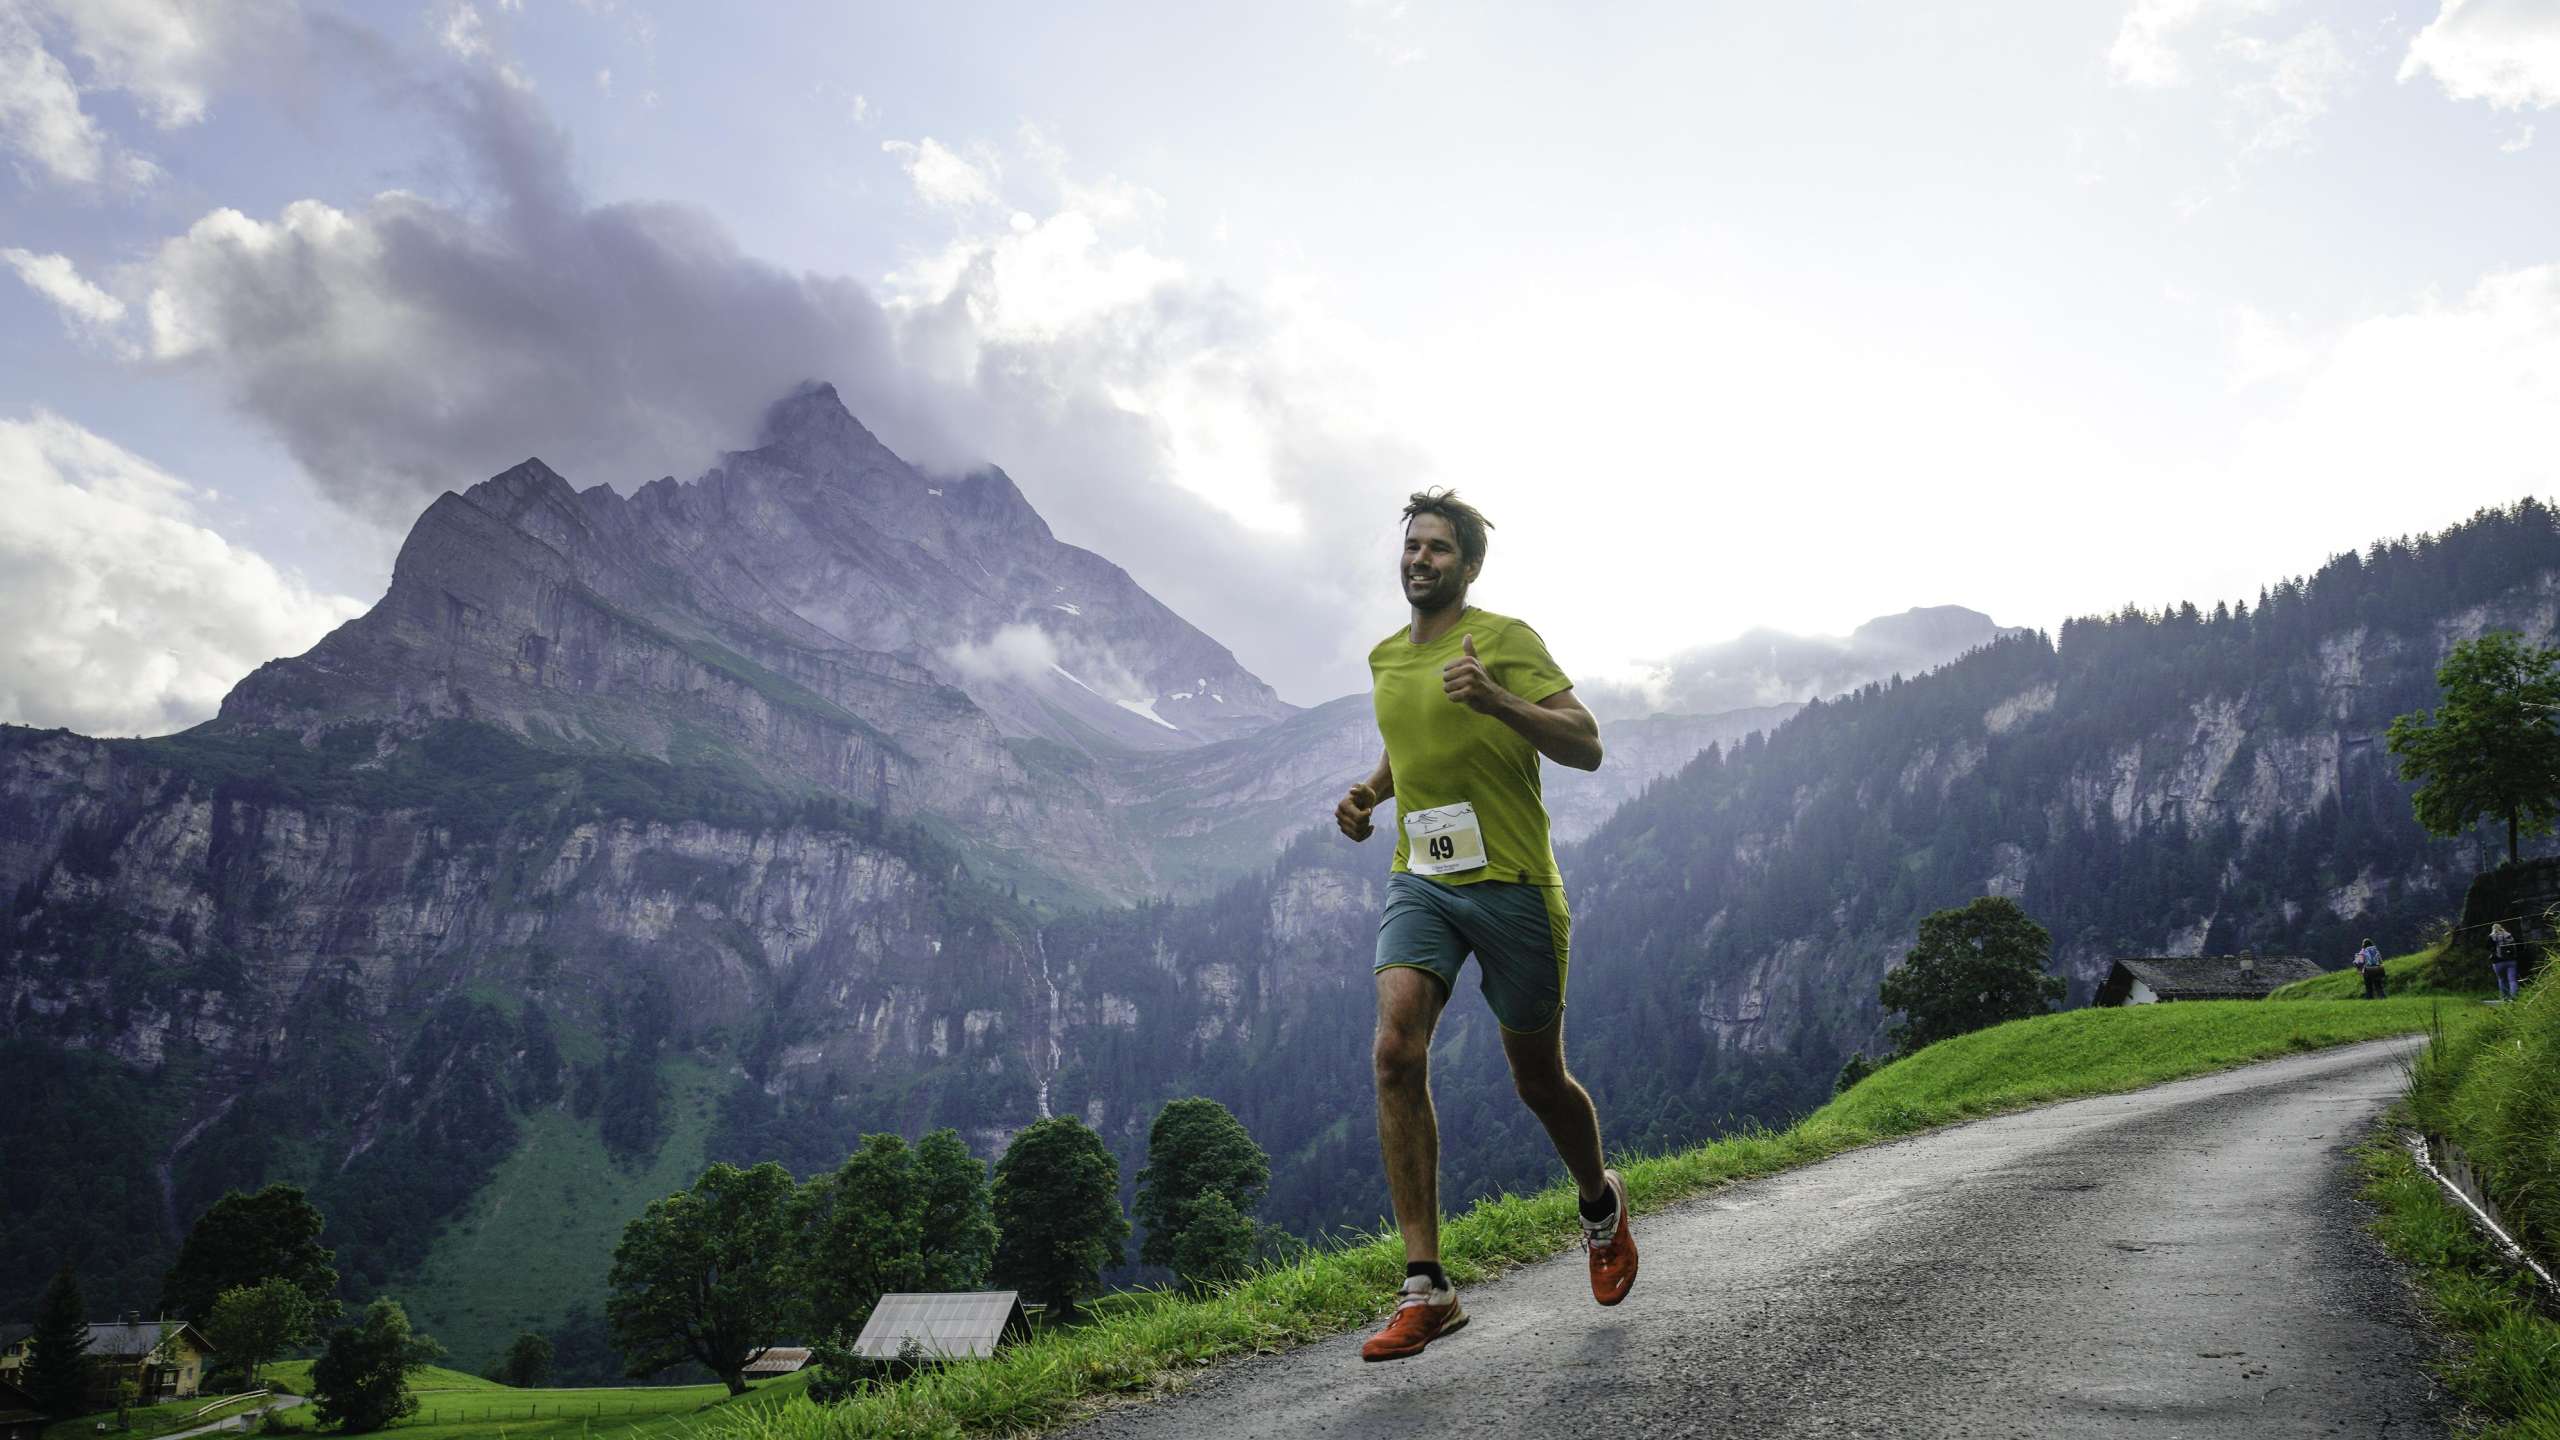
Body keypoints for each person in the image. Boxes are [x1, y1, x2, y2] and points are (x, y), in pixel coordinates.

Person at [1333, 487, 1636, 1363]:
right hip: (1422, 881)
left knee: (1538, 1080)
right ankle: (1425, 1284)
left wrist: (1499, 699)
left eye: (1438, 548)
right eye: (1412, 546)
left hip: (1512, 886)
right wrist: (1370, 794)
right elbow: (1411, 745)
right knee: (1395, 1050)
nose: (1419, 559)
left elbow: (1586, 744)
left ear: (1468, 566)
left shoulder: (1505, 640)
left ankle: (1599, 1202)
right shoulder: (1387, 658)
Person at [2489, 922, 2520, 1002]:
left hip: (2498, 962)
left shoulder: (2491, 937)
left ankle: (2505, 998)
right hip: (2511, 961)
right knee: (2512, 980)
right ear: (2501, 927)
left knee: (2502, 979)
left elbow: (2488, 947)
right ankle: (2514, 998)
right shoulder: (2508, 935)